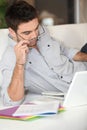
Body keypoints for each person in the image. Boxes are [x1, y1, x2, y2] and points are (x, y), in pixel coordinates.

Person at [0, 0, 87, 106]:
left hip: (82, 71)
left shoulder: (42, 32)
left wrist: (84, 56)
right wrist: (19, 64)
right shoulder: (10, 57)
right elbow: (11, 101)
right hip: (76, 90)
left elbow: (64, 50)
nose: (34, 36)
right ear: (12, 32)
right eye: (27, 33)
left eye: (36, 28)